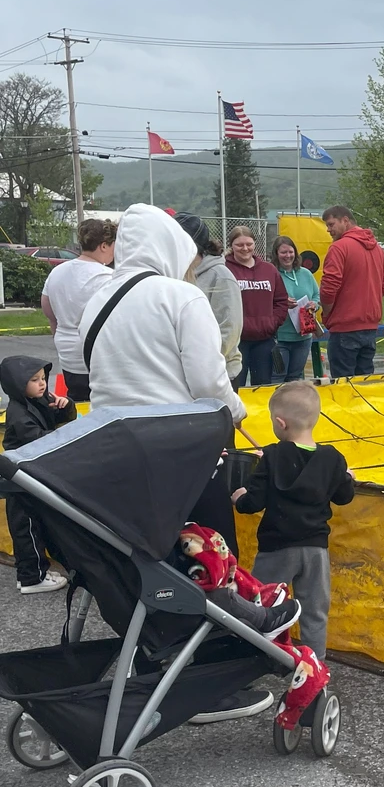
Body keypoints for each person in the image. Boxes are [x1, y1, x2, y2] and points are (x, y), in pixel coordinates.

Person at [79, 204, 267, 723]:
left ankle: (153, 655)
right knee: (209, 557)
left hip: (114, 451)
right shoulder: (181, 295)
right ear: (171, 247)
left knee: (150, 558)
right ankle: (212, 677)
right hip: (180, 451)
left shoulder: (99, 296)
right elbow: (208, 382)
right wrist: (237, 411)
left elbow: (80, 366)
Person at [232, 382, 355, 660]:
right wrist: (347, 477)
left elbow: (253, 503)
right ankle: (314, 663)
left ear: (280, 423)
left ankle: (255, 658)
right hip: (315, 549)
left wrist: (239, 497)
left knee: (262, 604)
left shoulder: (272, 456)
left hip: (277, 546)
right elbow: (344, 496)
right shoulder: (333, 459)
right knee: (315, 610)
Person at [1, 358, 74, 594]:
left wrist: (66, 406)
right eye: (34, 380)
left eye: (43, 378)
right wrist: (65, 436)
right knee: (26, 527)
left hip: (29, 473)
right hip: (19, 478)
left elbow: (62, 417)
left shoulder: (37, 400)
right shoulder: (18, 413)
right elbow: (40, 439)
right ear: (17, 383)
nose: (42, 384)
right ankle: (31, 578)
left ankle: (37, 571)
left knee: (35, 524)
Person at [40, 218, 116, 401]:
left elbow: (49, 312)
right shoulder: (109, 277)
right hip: (98, 359)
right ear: (104, 245)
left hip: (67, 355)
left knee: (76, 404)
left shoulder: (57, 272)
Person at [319, 205, 384, 379]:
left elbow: (329, 288)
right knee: (364, 383)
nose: (328, 230)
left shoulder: (339, 248)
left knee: (343, 385)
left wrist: (327, 313)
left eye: (331, 224)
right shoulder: (378, 250)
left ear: (345, 220)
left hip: (344, 327)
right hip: (370, 328)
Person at [173, 213, 242, 385]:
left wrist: (199, 363)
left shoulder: (221, 276)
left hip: (218, 376)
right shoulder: (174, 273)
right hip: (182, 375)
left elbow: (229, 330)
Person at [225, 226, 288, 388]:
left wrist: (272, 322)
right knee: (234, 386)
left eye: (249, 244)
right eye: (239, 245)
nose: (245, 248)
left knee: (262, 387)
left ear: (254, 244)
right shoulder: (224, 269)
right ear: (231, 246)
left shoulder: (269, 269)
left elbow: (281, 300)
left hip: (264, 339)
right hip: (235, 341)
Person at [271, 235, 321, 382]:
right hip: (280, 338)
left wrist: (314, 304)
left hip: (303, 336)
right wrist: (282, 303)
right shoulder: (271, 274)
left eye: (290, 252)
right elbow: (264, 300)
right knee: (277, 377)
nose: (288, 256)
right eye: (283, 252)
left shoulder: (306, 273)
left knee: (295, 378)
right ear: (276, 254)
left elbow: (317, 295)